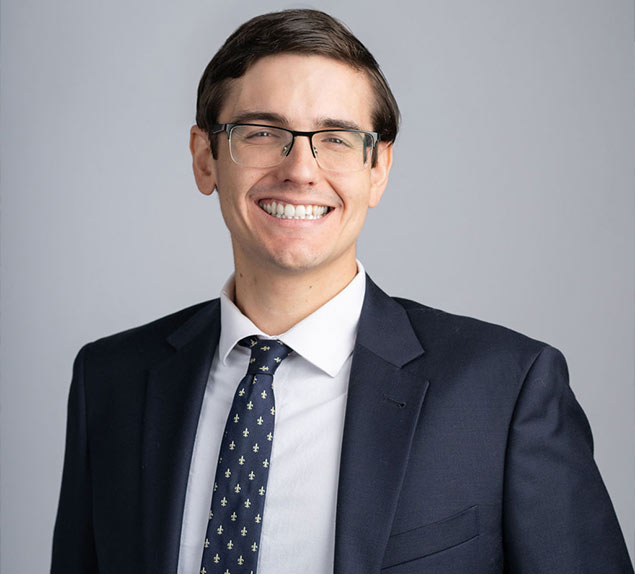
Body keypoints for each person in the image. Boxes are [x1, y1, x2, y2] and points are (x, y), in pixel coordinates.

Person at [51, 9, 633, 574]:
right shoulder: (109, 382)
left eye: (336, 138)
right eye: (262, 133)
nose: (300, 170)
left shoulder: (505, 391)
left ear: (378, 170)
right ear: (206, 159)